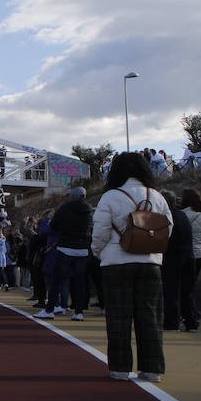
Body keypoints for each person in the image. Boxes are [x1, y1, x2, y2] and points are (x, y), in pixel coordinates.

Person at [91, 152, 172, 382]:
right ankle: (152, 368)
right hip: (150, 263)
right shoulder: (157, 196)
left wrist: (100, 253)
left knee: (118, 316)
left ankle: (120, 368)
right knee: (151, 316)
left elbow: (101, 231)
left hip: (116, 261)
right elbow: (168, 227)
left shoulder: (110, 197)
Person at [47, 186, 93, 321]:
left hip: (66, 247)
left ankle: (49, 309)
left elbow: (53, 225)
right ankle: (79, 312)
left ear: (73, 196)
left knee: (57, 280)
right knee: (80, 282)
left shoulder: (65, 208)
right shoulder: (89, 210)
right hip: (83, 249)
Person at [159, 191, 194, 332]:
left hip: (174, 256)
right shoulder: (183, 215)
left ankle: (172, 321)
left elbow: (166, 238)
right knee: (188, 291)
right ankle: (191, 321)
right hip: (189, 254)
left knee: (171, 290)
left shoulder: (167, 217)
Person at [180, 189, 201, 331]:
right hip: (200, 253)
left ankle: (187, 316)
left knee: (183, 288)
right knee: (191, 287)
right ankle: (193, 314)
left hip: (187, 254)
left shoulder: (183, 215)